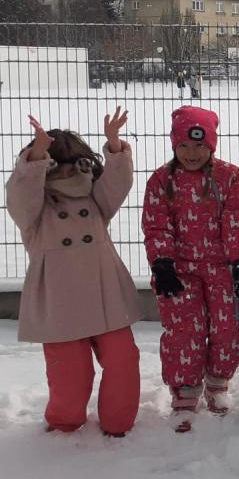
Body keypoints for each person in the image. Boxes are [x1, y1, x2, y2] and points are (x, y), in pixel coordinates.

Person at [6, 108, 141, 437]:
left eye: (73, 162)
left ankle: (118, 424)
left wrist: (114, 145)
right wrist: (36, 156)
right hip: (59, 302)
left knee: (123, 360)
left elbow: (117, 184)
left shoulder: (94, 199)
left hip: (105, 294)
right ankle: (64, 427)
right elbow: (20, 196)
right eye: (58, 162)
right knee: (70, 373)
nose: (68, 172)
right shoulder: (35, 209)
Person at [142, 106, 239, 433]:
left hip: (222, 266)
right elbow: (156, 226)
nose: (192, 154)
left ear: (212, 146)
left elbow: (237, 223)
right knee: (185, 330)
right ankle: (186, 391)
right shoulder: (162, 181)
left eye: (200, 146)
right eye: (184, 147)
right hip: (178, 270)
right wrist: (161, 262)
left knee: (230, 324)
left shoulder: (228, 176)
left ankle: (218, 381)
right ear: (174, 145)